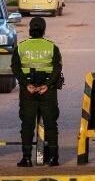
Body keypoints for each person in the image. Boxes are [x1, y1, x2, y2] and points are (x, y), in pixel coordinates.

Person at [11, 16, 63, 167]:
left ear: (30, 29)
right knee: (51, 124)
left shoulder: (21, 47)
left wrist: (27, 85)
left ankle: (26, 158)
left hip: (28, 91)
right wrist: (46, 85)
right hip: (47, 91)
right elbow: (57, 68)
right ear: (44, 30)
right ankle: (53, 158)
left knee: (27, 125)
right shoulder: (51, 46)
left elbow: (15, 68)